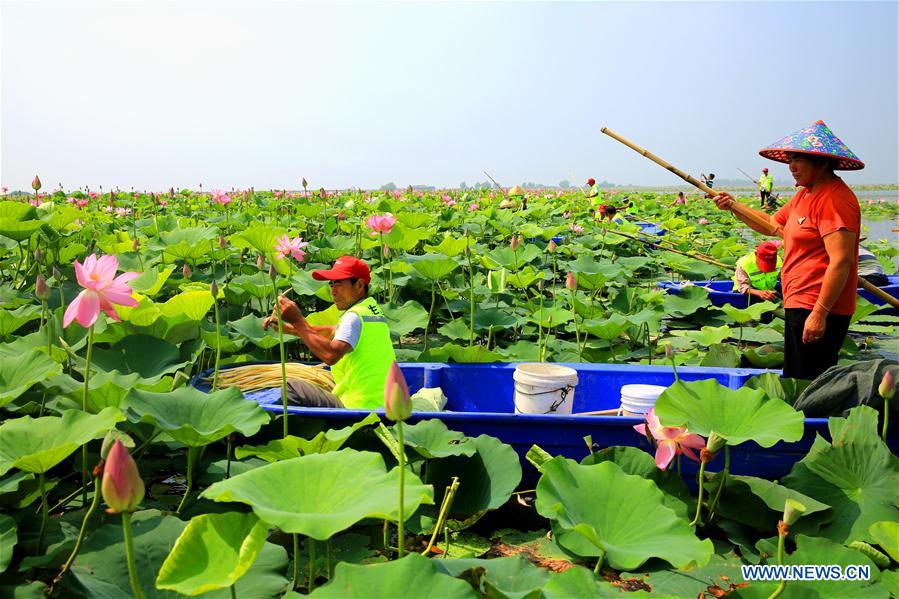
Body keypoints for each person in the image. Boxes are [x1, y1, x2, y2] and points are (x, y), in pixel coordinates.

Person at [712, 120, 863, 381]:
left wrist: (819, 314)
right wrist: (734, 206)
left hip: (818, 304)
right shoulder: (805, 194)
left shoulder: (835, 198)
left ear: (822, 162)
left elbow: (841, 261)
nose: (791, 167)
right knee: (796, 375)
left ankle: (815, 422)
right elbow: (771, 225)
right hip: (798, 299)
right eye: (790, 159)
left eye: (798, 160)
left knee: (809, 380)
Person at [262, 256, 396, 409]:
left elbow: (331, 356)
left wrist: (298, 320)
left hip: (358, 407)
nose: (333, 291)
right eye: (331, 285)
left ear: (359, 285)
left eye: (338, 284)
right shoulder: (371, 310)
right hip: (385, 403)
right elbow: (334, 332)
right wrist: (289, 329)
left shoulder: (353, 317)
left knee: (291, 387)